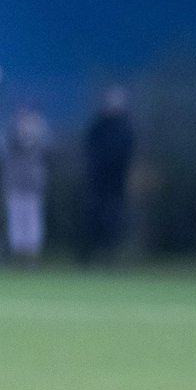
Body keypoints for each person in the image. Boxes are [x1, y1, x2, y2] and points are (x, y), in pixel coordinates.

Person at [79, 87, 135, 263]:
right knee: (92, 218)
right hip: (96, 181)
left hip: (115, 182)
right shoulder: (98, 125)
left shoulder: (125, 128)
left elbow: (125, 152)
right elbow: (89, 147)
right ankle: (89, 255)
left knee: (113, 220)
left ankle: (110, 255)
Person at [3, 108, 49, 265]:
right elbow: (12, 141)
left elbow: (46, 145)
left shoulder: (38, 142)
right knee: (16, 221)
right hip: (16, 186)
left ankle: (32, 255)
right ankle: (18, 255)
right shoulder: (13, 140)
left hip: (33, 187)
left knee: (32, 222)